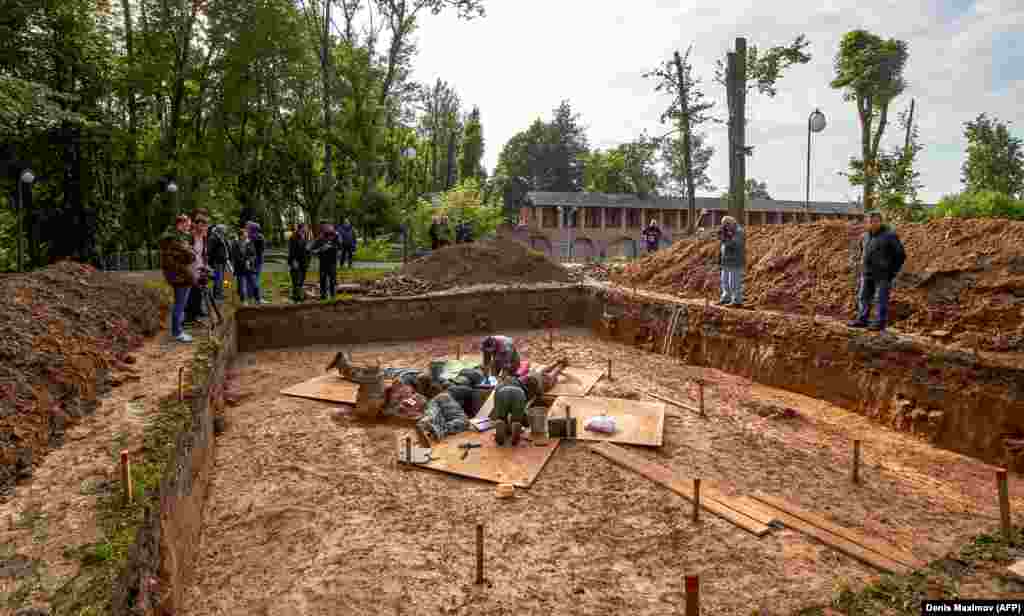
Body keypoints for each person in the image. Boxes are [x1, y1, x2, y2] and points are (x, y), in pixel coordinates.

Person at [848, 211, 906, 332]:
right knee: (863, 297)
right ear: (866, 223)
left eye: (875, 221)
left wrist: (892, 272)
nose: (872, 224)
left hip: (883, 275)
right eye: (869, 221)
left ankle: (880, 323)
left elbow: (900, 255)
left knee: (881, 299)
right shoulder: (865, 236)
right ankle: (862, 320)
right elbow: (862, 251)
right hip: (867, 273)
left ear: (880, 222)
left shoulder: (889, 235)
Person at [159, 214, 197, 343]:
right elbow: (189, 255)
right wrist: (189, 254)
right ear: (180, 224)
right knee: (180, 305)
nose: (189, 227)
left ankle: (178, 330)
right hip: (180, 276)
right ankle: (177, 332)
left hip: (180, 275)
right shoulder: (175, 240)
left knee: (180, 304)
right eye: (187, 224)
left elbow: (190, 255)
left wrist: (189, 254)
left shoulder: (178, 238)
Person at [183, 210, 210, 326]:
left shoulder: (203, 238)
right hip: (190, 269)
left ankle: (194, 316)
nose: (204, 227)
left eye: (205, 225)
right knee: (192, 294)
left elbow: (203, 254)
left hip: (199, 269)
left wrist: (205, 265)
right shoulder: (190, 238)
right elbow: (186, 254)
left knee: (198, 293)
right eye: (201, 225)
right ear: (195, 225)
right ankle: (188, 318)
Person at [718, 215, 746, 308]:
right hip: (726, 261)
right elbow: (724, 245)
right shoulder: (730, 231)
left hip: (735, 261)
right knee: (724, 281)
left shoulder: (739, 232)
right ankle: (726, 298)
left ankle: (737, 301)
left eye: (726, 225)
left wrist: (725, 238)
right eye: (724, 226)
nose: (725, 227)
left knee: (734, 282)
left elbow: (734, 244)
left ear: (731, 223)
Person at [310, 222, 341, 300]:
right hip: (323, 262)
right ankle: (323, 296)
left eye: (330, 227)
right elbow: (312, 250)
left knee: (332, 280)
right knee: (323, 280)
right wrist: (321, 249)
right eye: (326, 227)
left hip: (332, 262)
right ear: (323, 229)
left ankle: (333, 296)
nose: (329, 229)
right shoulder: (320, 238)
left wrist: (333, 247)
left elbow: (340, 247)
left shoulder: (336, 237)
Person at [207, 224, 231, 302]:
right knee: (218, 278)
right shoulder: (213, 237)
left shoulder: (221, 237)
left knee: (221, 278)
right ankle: (217, 295)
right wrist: (211, 261)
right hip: (217, 261)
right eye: (224, 229)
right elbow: (210, 250)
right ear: (220, 230)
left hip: (223, 261)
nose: (225, 231)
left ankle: (219, 293)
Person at [288, 223, 311, 303]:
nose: (307, 229)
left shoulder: (306, 236)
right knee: (296, 281)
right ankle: (297, 298)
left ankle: (299, 296)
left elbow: (308, 250)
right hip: (296, 262)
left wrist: (308, 261)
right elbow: (292, 251)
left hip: (304, 262)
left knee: (301, 280)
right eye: (306, 228)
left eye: (307, 228)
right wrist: (293, 261)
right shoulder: (293, 237)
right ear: (301, 228)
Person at [246, 221, 265, 303]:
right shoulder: (256, 237)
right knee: (253, 279)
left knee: (253, 280)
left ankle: (256, 298)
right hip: (255, 261)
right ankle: (254, 297)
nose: (246, 229)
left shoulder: (253, 238)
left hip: (255, 261)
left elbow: (258, 251)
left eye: (248, 228)